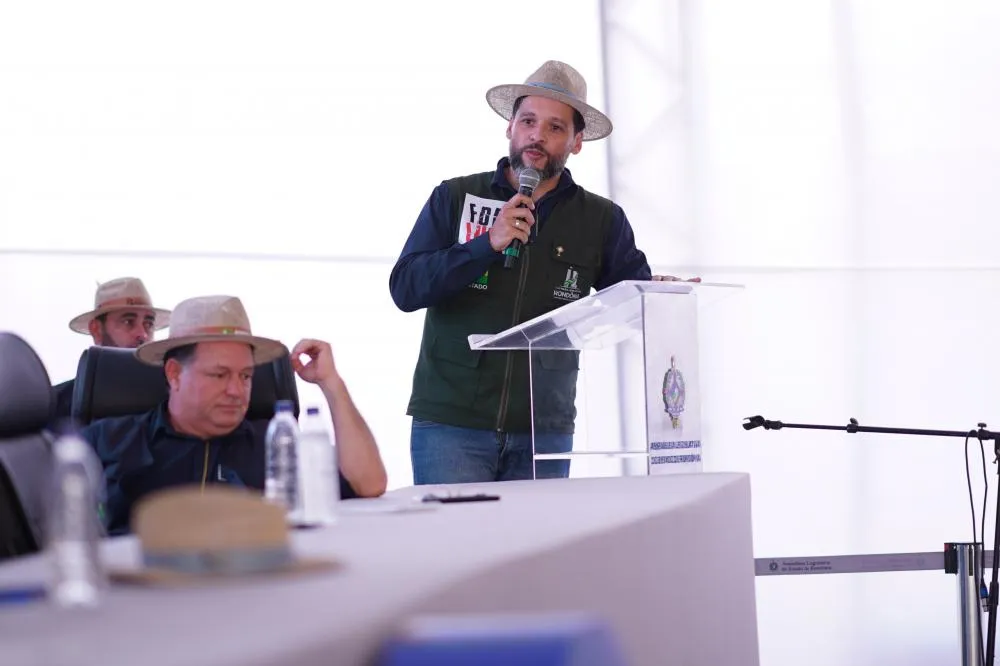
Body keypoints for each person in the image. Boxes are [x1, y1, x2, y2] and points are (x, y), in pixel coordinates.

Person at [390, 60, 692, 485]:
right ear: (510, 127)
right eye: (528, 121)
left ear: (576, 141)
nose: (538, 135)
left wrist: (656, 296)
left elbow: (630, 299)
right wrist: (484, 245)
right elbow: (405, 288)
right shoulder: (456, 196)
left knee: (535, 551)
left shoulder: (600, 219)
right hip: (451, 425)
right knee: (457, 550)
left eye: (554, 127)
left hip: (543, 430)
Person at [80, 294, 387, 535]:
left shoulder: (274, 445)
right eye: (219, 375)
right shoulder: (107, 441)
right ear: (174, 374)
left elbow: (368, 484)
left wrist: (331, 384)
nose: (236, 391)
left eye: (246, 377)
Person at [52, 277, 172, 421]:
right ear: (96, 330)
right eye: (128, 321)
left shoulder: (172, 399)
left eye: (148, 324)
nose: (142, 334)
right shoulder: (55, 404)